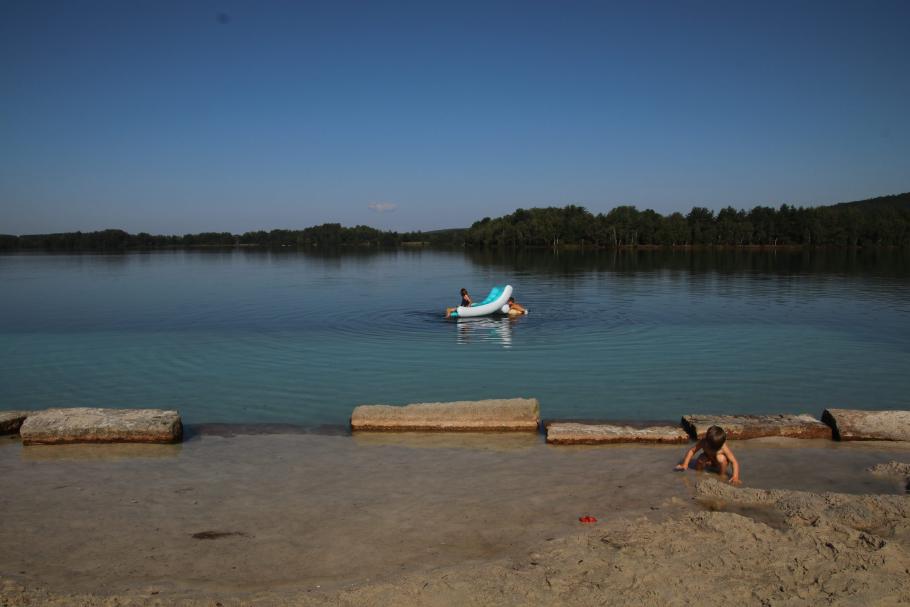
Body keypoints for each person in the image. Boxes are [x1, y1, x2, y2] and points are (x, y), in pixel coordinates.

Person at [675, 425, 741, 484]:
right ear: (706, 440)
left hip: (719, 463)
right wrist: (685, 464)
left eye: (715, 449)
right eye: (710, 447)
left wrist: (735, 476)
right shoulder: (703, 442)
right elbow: (692, 451)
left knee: (721, 458)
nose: (712, 450)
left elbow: (734, 462)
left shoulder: (723, 447)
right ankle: (698, 473)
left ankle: (722, 475)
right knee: (701, 458)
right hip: (709, 459)